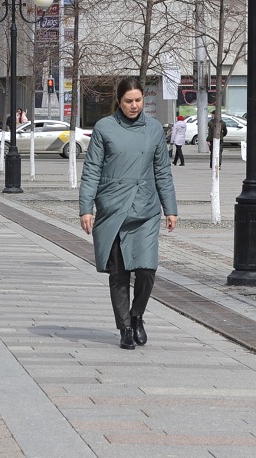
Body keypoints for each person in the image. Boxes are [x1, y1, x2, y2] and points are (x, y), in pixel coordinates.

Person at [79, 77, 178, 351]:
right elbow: (91, 171)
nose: (134, 106)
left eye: (138, 100)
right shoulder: (104, 128)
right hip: (113, 210)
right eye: (128, 101)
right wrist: (86, 208)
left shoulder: (155, 129)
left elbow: (162, 172)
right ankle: (124, 327)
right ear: (118, 101)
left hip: (145, 209)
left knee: (147, 270)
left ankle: (137, 316)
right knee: (119, 274)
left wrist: (170, 208)